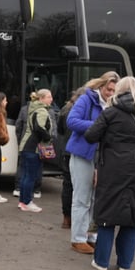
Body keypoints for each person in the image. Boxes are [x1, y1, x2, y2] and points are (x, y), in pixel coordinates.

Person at [83, 76, 135, 270]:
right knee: (132, 216)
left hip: (111, 168)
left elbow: (90, 136)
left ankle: (101, 261)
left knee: (107, 215)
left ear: (118, 91)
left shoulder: (110, 113)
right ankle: (125, 264)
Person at [64, 71, 119, 254]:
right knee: (82, 198)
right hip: (83, 154)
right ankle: (78, 238)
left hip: (101, 157)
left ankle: (89, 236)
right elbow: (71, 121)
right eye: (108, 89)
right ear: (101, 86)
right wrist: (98, 125)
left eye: (114, 90)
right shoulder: (87, 99)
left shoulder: (114, 105)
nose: (111, 93)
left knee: (96, 199)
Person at [16, 89, 53, 213]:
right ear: (41, 99)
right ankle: (27, 202)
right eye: (48, 97)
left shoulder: (32, 109)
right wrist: (48, 137)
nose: (51, 99)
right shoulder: (42, 111)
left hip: (26, 146)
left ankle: (22, 201)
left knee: (25, 175)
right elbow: (39, 127)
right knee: (30, 176)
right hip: (34, 148)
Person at [57, 90, 80, 228]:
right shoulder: (86, 111)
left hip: (67, 149)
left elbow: (60, 130)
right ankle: (78, 218)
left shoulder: (65, 109)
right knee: (81, 187)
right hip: (80, 151)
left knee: (68, 185)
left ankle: (67, 217)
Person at [12, 101, 43, 199]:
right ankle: (35, 191)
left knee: (22, 167)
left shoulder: (24, 109)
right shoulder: (45, 111)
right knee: (36, 168)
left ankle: (18, 189)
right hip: (38, 144)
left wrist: (20, 139)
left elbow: (18, 126)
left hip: (24, 143)